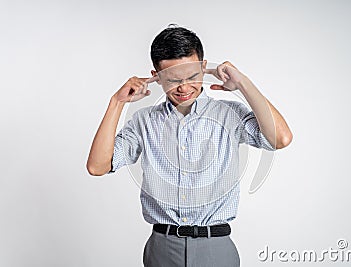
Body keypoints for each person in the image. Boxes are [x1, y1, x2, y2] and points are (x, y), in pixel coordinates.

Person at [86, 24, 292, 267]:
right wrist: (117, 102)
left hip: (217, 250)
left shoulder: (229, 114)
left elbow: (281, 139)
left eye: (192, 77)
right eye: (173, 80)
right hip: (162, 249)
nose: (184, 88)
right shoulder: (144, 121)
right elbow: (97, 167)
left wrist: (243, 83)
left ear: (204, 68)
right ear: (157, 77)